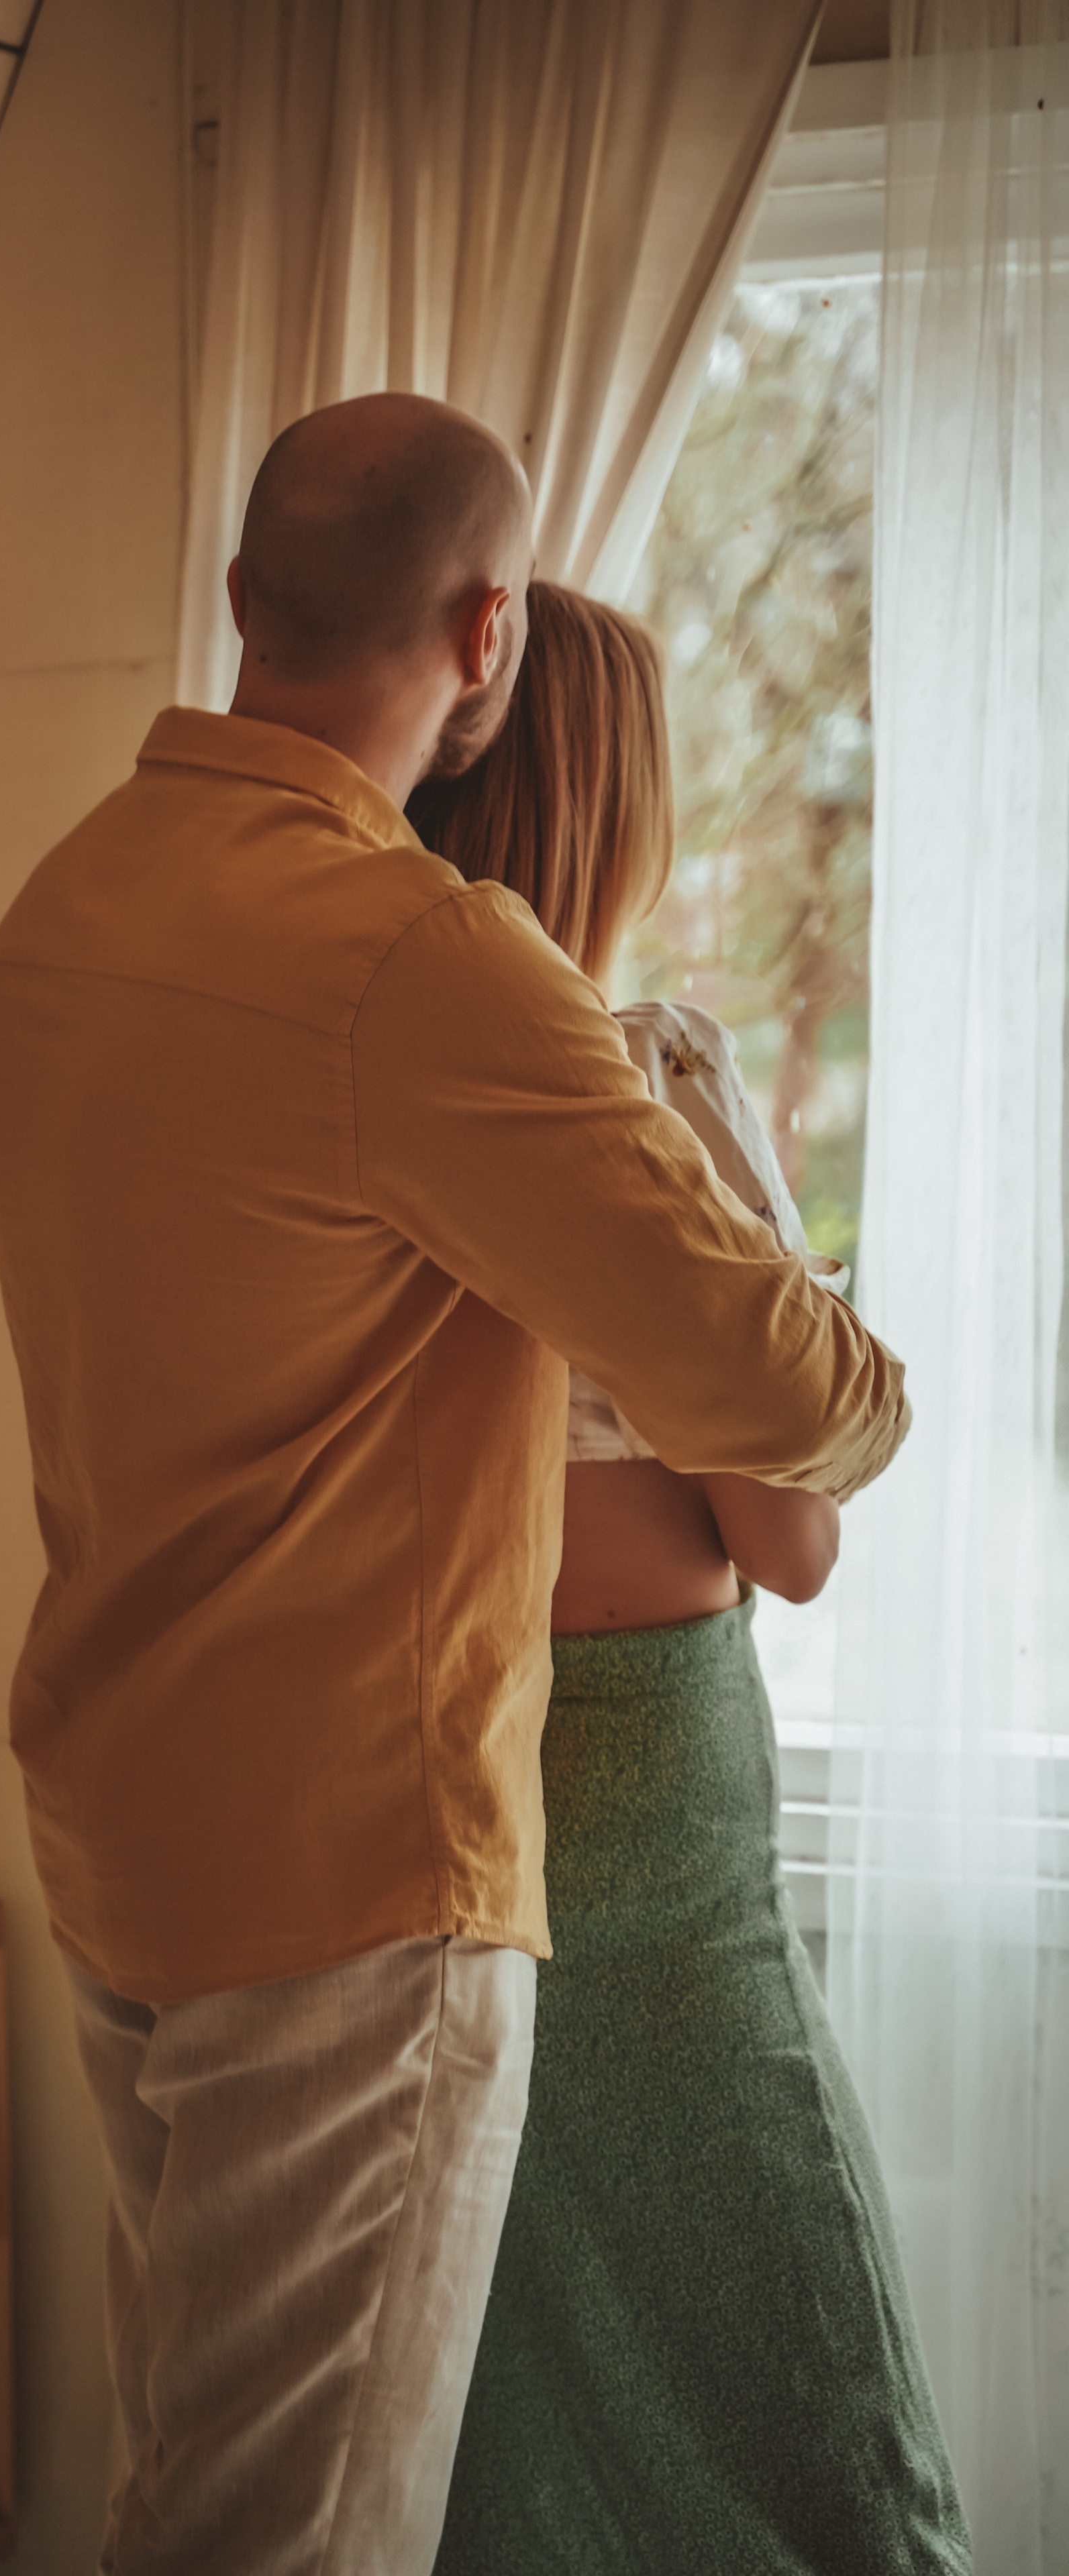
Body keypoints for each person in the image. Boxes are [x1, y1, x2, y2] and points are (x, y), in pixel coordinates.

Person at [0, 394, 911, 2574]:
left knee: (191, 2487)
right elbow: (795, 1409)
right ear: (486, 634)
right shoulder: (420, 965)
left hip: (123, 1829)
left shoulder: (65, 910)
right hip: (355, 1879)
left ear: (243, 600)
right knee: (306, 2541)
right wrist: (863, 1376)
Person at [411, 582, 970, 2575]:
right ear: (617, 810)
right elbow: (794, 1540)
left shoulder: (361, 1086)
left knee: (506, 2394)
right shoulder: (643, 1077)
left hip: (438, 1788)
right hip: (651, 1801)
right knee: (802, 2377)